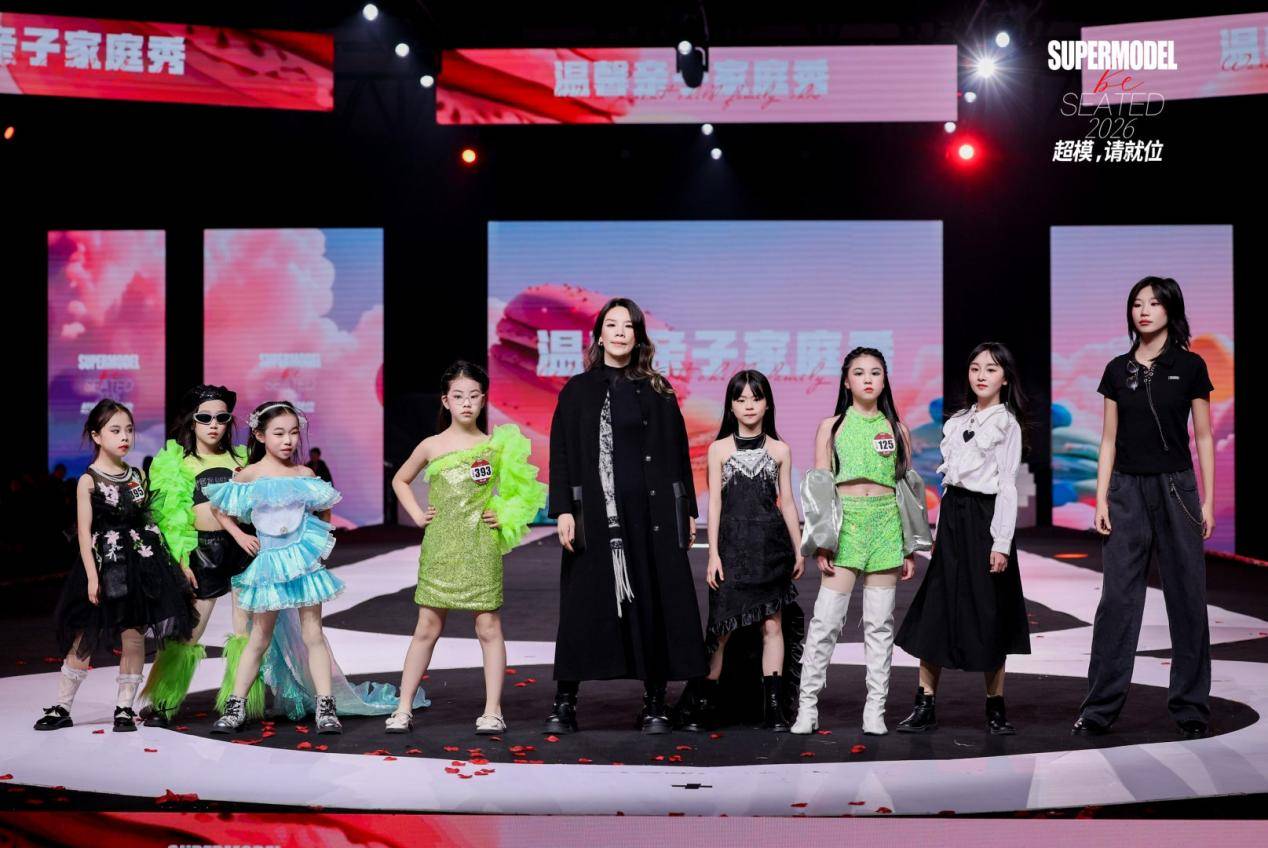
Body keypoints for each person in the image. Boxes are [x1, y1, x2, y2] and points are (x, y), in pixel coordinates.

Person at [545, 297, 708, 735]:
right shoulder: (577, 390)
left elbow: (677, 454)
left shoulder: (658, 390)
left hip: (652, 516)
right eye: (612, 325)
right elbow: (561, 453)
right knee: (582, 605)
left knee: (653, 601)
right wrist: (562, 509)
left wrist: (687, 510)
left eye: (628, 326)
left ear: (638, 337)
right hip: (596, 518)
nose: (619, 333)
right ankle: (565, 702)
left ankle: (655, 702)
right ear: (599, 335)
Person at [207, 401, 417, 734]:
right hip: (269, 566)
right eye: (279, 433)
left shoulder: (304, 475)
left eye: (293, 432)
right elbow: (219, 509)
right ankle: (235, 707)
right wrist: (240, 536)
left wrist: (316, 543)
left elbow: (324, 507)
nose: (288, 440)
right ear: (260, 435)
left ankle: (325, 706)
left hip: (304, 566)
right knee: (258, 637)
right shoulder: (249, 474)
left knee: (313, 634)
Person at [1073, 277, 1216, 740]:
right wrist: (1101, 496)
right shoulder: (1117, 369)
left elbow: (1204, 436)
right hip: (1126, 491)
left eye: (1154, 303)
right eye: (1137, 303)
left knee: (1187, 597)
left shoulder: (1190, 366)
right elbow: (1108, 439)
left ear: (1171, 310)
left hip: (1177, 489)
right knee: (1117, 600)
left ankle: (1191, 707)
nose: (1145, 310)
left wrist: (1208, 499)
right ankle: (1099, 708)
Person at [385, 361, 546, 735]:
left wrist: (504, 513)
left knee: (488, 626)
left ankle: (493, 710)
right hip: (440, 546)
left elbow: (523, 492)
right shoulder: (431, 445)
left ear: (484, 399)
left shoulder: (494, 446)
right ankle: (403, 708)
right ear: (446, 401)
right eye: (458, 396)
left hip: (480, 546)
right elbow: (400, 480)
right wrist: (418, 515)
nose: (467, 403)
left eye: (474, 396)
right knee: (426, 626)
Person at [34, 400, 197, 732]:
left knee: (133, 637)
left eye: (129, 430)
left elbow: (149, 521)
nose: (125, 437)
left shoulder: (137, 475)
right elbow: (84, 532)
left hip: (139, 565)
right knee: (84, 637)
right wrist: (92, 577)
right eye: (115, 430)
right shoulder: (88, 480)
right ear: (96, 435)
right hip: (103, 564)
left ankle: (124, 708)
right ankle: (62, 706)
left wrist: (173, 562)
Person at [895, 342, 1031, 734]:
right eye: (975, 368)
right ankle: (924, 704)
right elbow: (949, 483)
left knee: (989, 611)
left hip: (985, 519)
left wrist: (1001, 543)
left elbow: (1007, 485)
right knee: (937, 608)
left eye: (991, 369)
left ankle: (995, 707)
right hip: (954, 518)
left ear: (1005, 378)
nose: (981, 375)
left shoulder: (1007, 425)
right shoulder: (957, 421)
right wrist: (939, 532)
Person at [791, 347, 916, 736]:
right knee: (826, 621)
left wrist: (908, 546)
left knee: (879, 624)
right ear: (846, 381)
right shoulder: (832, 426)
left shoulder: (897, 429)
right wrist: (823, 540)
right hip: (846, 525)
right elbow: (820, 487)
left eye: (875, 372)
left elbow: (906, 490)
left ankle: (875, 710)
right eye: (859, 373)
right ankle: (807, 707)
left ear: (884, 380)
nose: (867, 379)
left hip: (886, 525)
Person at [682, 370, 804, 732]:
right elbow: (715, 505)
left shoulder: (780, 450)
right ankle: (703, 705)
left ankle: (773, 710)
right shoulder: (718, 449)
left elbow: (787, 502)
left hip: (771, 550)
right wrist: (713, 555)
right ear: (731, 406)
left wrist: (799, 549)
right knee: (721, 629)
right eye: (741, 399)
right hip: (732, 551)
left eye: (756, 398)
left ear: (767, 404)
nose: (749, 405)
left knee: (772, 625)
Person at [137, 385, 262, 727]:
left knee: (245, 632)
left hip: (243, 548)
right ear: (192, 421)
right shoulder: (176, 463)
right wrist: (180, 559)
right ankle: (164, 701)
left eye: (222, 417)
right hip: (200, 552)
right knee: (189, 632)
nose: (214, 424)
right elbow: (168, 518)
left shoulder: (242, 459)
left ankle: (240, 703)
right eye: (205, 417)